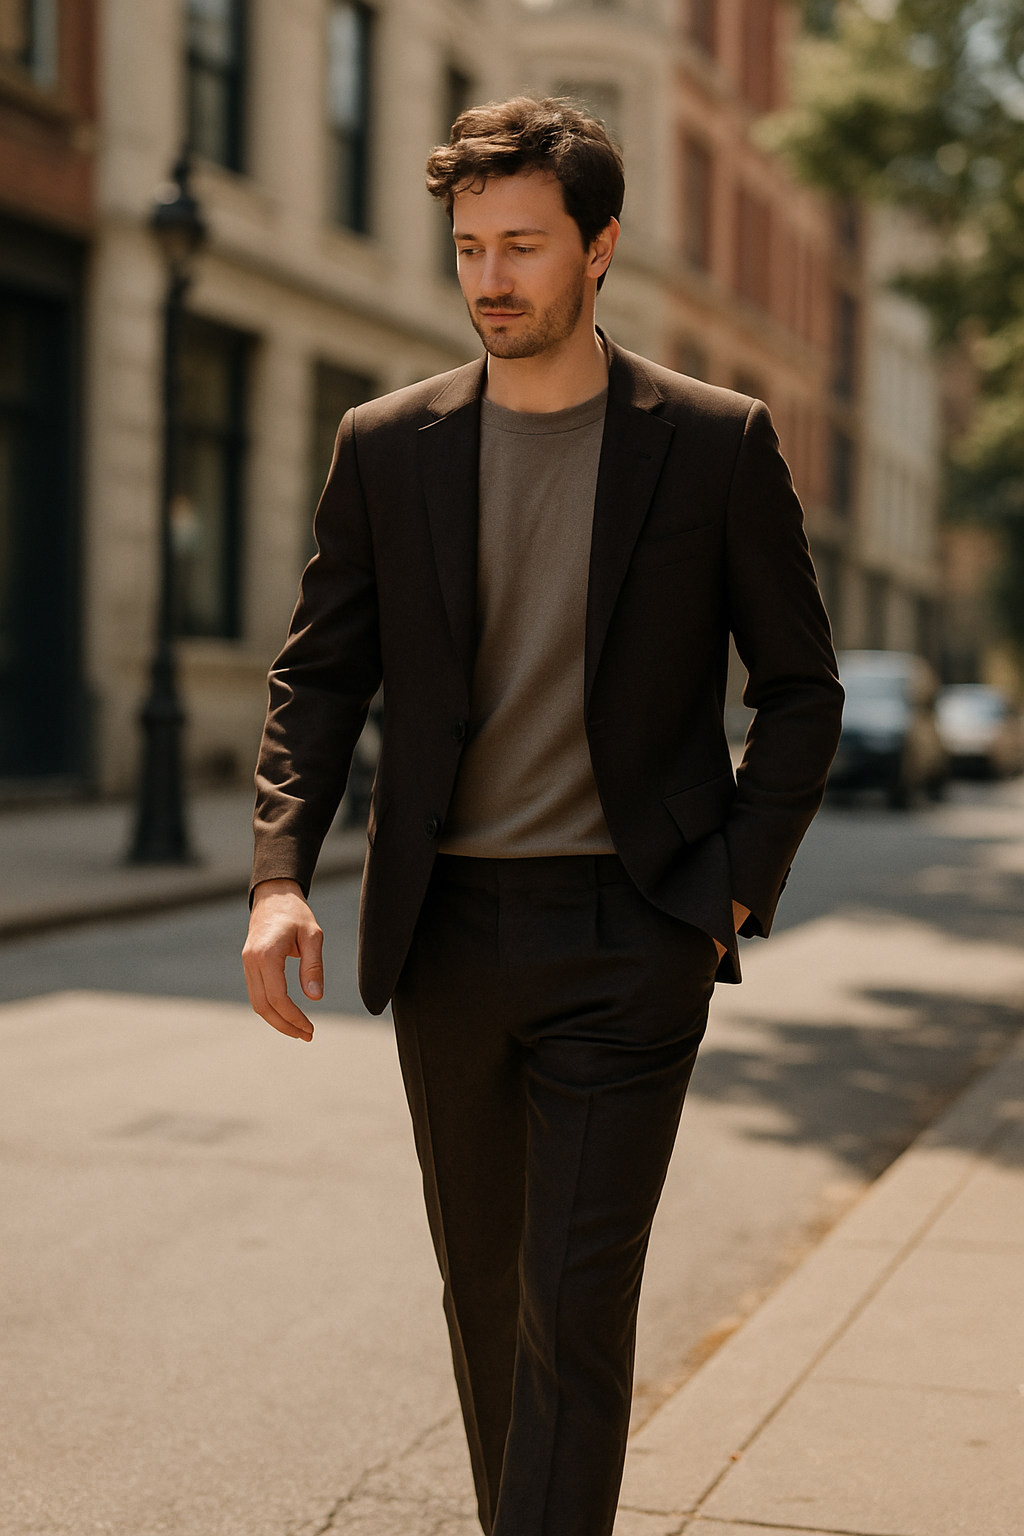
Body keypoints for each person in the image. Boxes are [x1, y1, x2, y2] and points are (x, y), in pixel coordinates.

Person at [243, 96, 843, 1536]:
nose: (492, 278)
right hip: (446, 938)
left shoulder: (711, 445)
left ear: (601, 247)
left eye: (523, 245)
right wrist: (279, 876)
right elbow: (317, 677)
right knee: (493, 1298)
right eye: (469, 248)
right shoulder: (390, 447)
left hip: (629, 936)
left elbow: (802, 691)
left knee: (572, 1310)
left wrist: (728, 897)